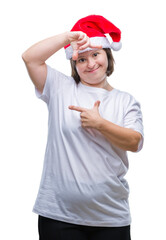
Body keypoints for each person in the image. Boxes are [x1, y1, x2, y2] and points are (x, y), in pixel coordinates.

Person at [22, 15, 144, 240]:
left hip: (110, 217)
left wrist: (101, 124)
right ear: (74, 63)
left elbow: (134, 142)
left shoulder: (126, 101)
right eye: (81, 59)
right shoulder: (60, 88)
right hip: (59, 216)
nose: (90, 64)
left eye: (96, 55)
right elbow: (30, 58)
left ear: (107, 55)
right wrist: (67, 38)